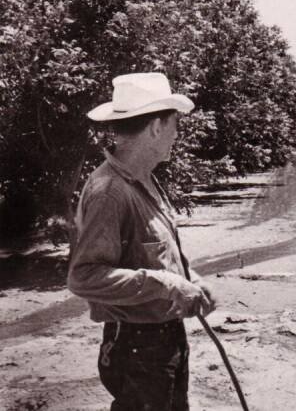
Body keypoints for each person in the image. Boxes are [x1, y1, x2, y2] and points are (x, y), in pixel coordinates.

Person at [68, 72, 216, 411]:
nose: (177, 135)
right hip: (137, 346)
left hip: (162, 340)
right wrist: (165, 283)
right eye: (175, 125)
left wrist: (191, 281)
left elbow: (157, 251)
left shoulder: (143, 180)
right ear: (155, 128)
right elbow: (84, 276)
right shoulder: (110, 192)